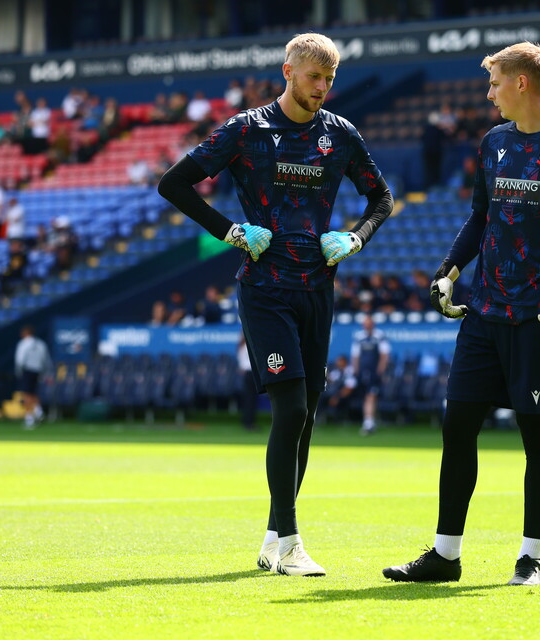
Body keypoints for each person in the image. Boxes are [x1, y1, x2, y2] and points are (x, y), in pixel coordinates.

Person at [382, 42, 540, 586]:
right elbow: (478, 217)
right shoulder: (492, 143)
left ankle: (530, 557)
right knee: (457, 427)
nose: (488, 93)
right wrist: (448, 271)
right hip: (483, 311)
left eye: (494, 83)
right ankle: (445, 555)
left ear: (521, 83)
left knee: (536, 438)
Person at [157, 33, 393, 578]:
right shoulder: (246, 129)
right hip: (265, 288)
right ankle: (291, 544)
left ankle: (270, 537)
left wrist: (356, 238)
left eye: (331, 81)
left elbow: (381, 198)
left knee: (305, 415)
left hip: (319, 287)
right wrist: (231, 231)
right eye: (315, 77)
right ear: (288, 71)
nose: (323, 89)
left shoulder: (341, 134)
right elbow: (175, 183)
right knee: (289, 409)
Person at [351, 316, 390, 435]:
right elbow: (355, 356)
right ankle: (369, 421)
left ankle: (369, 422)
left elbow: (384, 355)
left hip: (374, 372)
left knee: (371, 396)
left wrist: (380, 371)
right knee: (368, 396)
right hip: (363, 372)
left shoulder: (379, 336)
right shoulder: (359, 337)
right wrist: (356, 371)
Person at [14, 325, 52, 429]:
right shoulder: (41, 344)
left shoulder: (23, 344)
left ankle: (29, 418)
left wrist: (19, 372)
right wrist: (47, 373)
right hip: (38, 371)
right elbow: (46, 360)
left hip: (27, 370)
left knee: (26, 394)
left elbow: (20, 360)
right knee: (34, 393)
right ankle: (38, 411)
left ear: (25, 333)